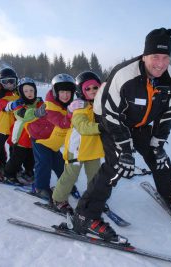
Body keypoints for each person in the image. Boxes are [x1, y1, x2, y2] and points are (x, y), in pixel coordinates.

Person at [71, 28, 171, 243]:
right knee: (117, 165)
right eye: (155, 57)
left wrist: (157, 144)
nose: (160, 63)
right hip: (111, 119)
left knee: (160, 160)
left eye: (165, 57)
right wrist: (124, 148)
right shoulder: (125, 75)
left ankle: (168, 195)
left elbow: (168, 113)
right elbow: (110, 114)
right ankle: (85, 215)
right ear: (144, 55)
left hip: (139, 123)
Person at [51, 71, 104, 214]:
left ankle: (93, 199)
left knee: (95, 177)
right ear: (81, 91)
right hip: (77, 149)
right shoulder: (79, 107)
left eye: (95, 88)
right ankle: (58, 199)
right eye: (88, 89)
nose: (92, 91)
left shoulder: (100, 105)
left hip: (93, 149)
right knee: (70, 176)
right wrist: (101, 127)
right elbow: (83, 127)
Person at [27, 74, 75, 200]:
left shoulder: (67, 105)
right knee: (44, 162)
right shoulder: (50, 106)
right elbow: (62, 123)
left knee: (59, 164)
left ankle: (65, 184)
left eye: (68, 92)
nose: (65, 95)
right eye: (62, 92)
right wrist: (71, 113)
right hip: (40, 139)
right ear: (55, 92)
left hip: (53, 142)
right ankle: (40, 187)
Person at [4, 77, 44, 184]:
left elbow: (46, 111)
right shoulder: (18, 104)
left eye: (31, 90)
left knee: (31, 157)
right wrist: (37, 112)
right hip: (21, 137)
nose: (29, 93)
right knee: (17, 158)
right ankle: (8, 173)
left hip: (34, 136)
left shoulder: (39, 102)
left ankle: (28, 171)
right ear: (21, 92)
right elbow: (25, 116)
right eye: (26, 91)